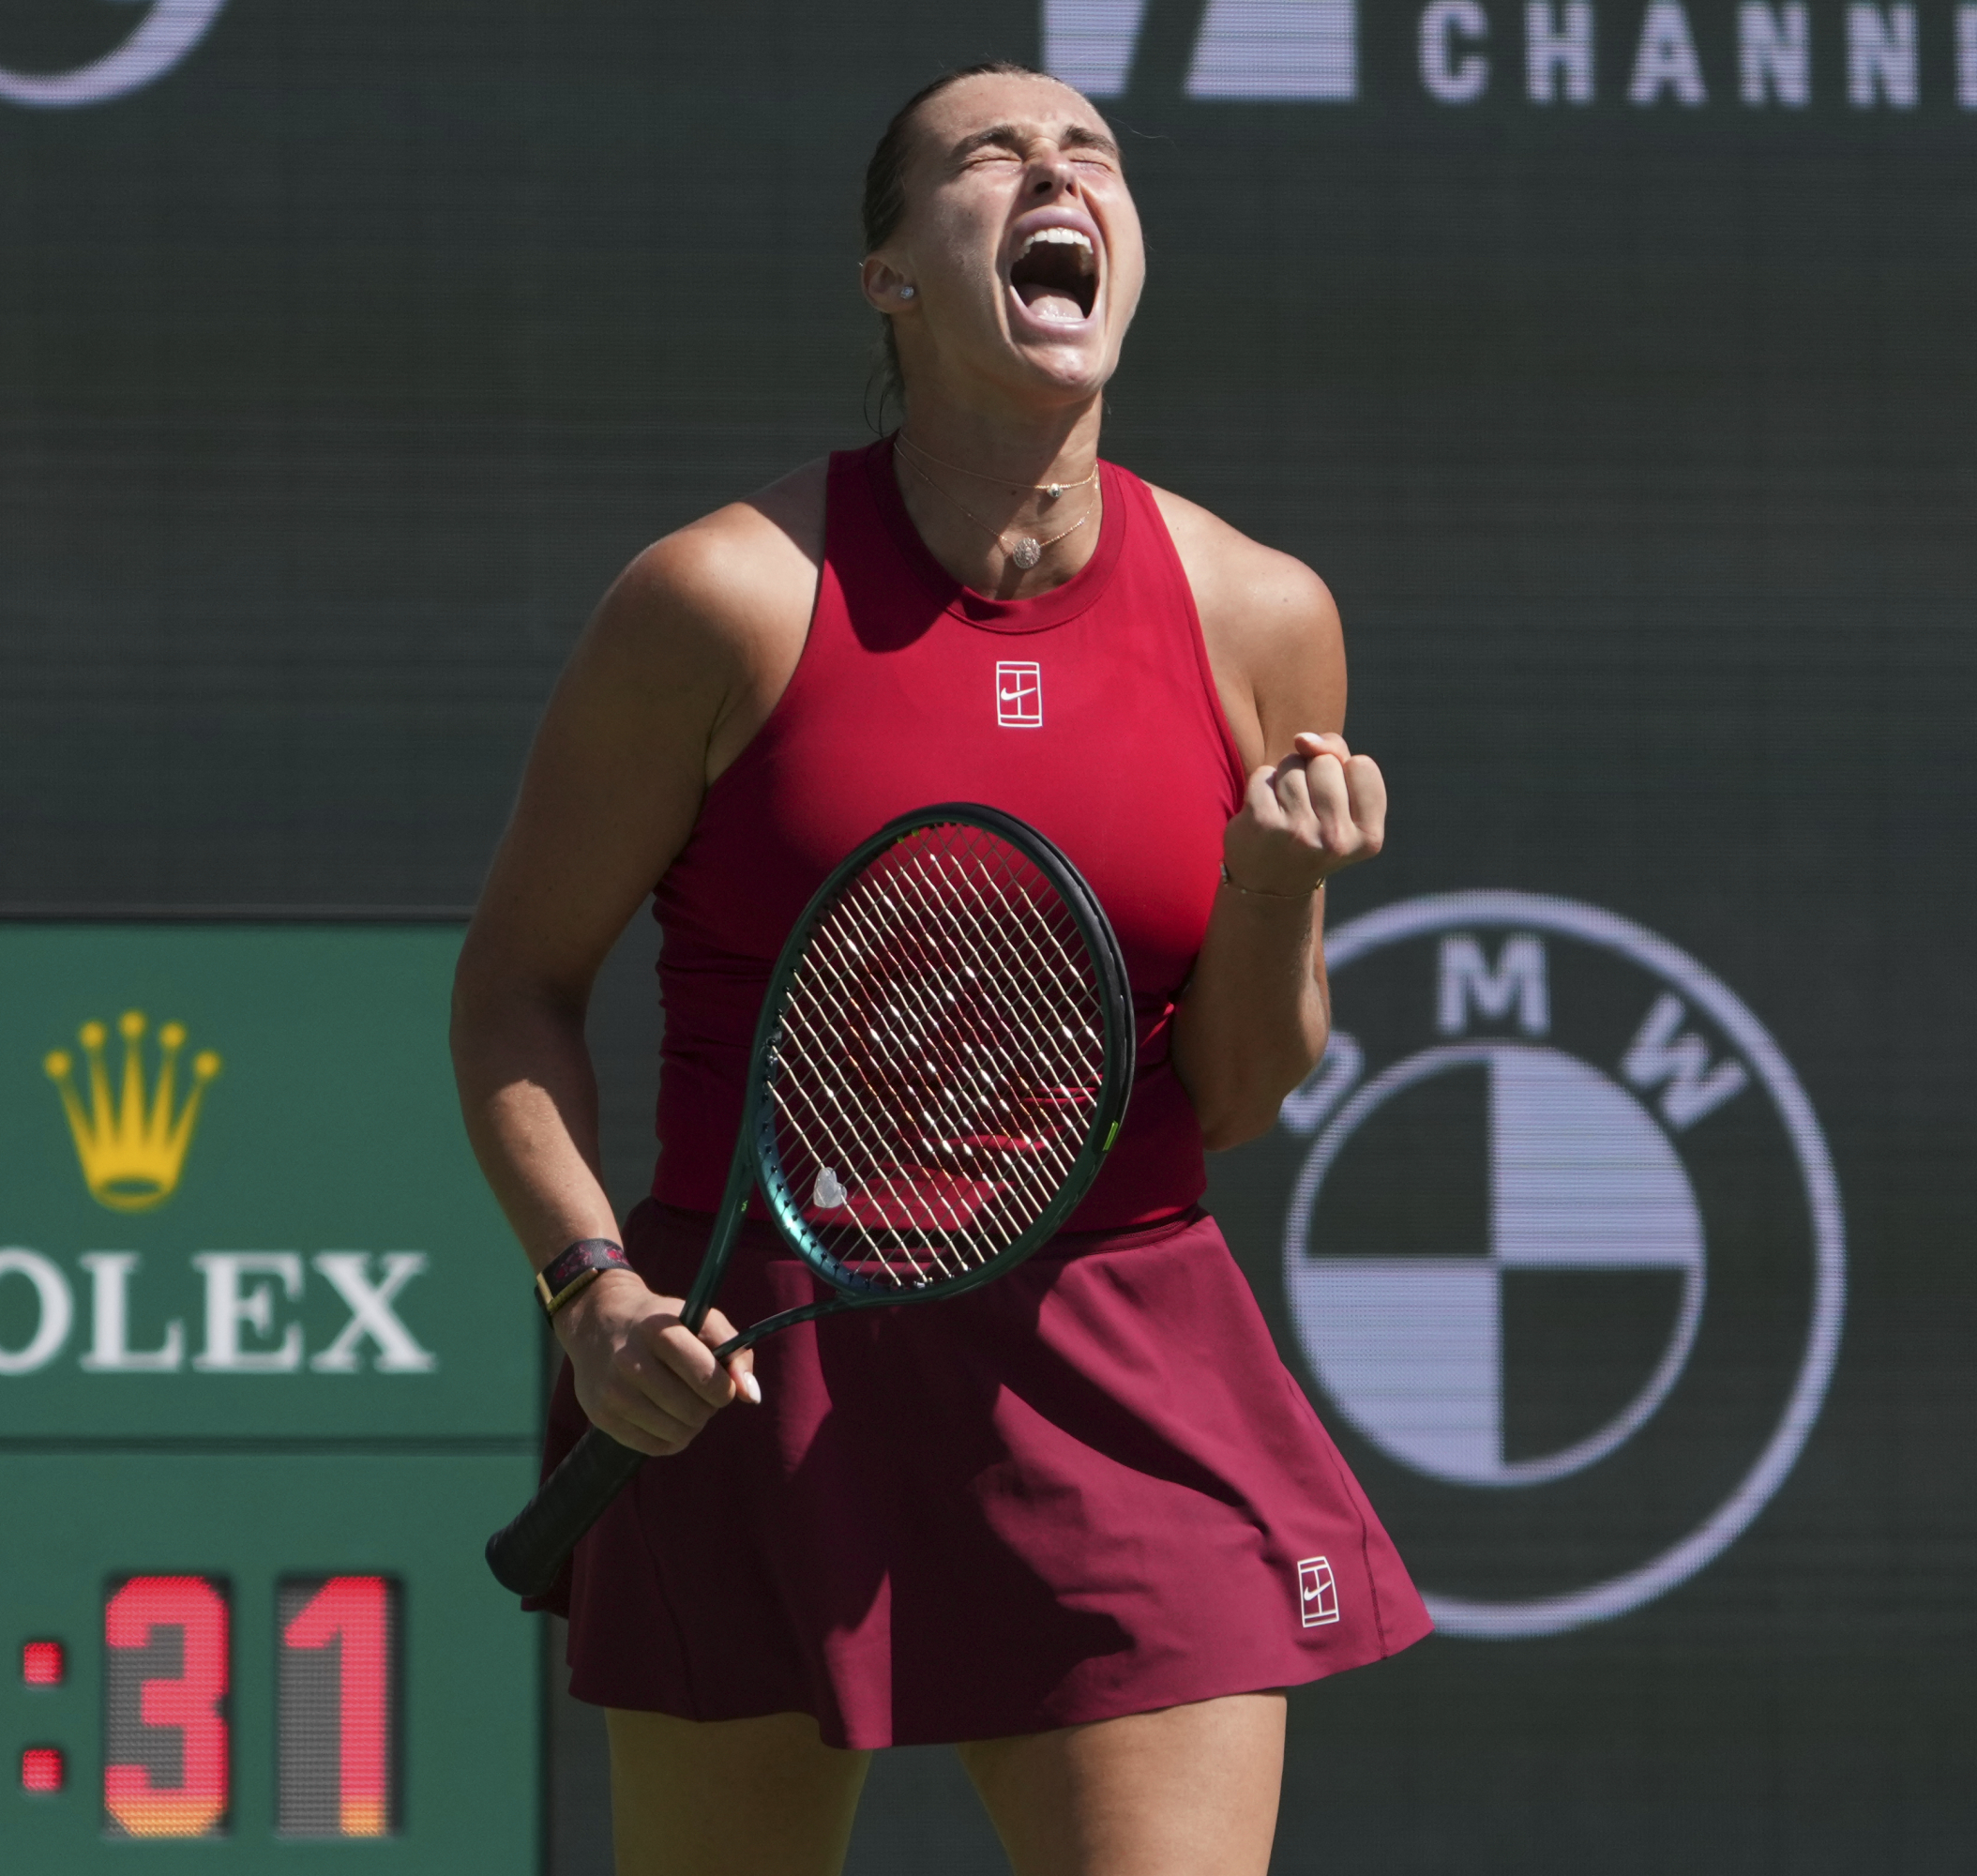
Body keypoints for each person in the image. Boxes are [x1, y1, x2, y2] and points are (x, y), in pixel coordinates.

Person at [450, 61, 1428, 1876]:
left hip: (1123, 1358)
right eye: (994, 156)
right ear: (893, 274)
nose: (1062, 173)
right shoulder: (721, 600)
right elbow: (512, 988)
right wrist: (590, 1295)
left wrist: (1277, 892)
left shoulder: (1261, 614)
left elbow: (1233, 1093)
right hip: (745, 1363)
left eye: (1096, 157)